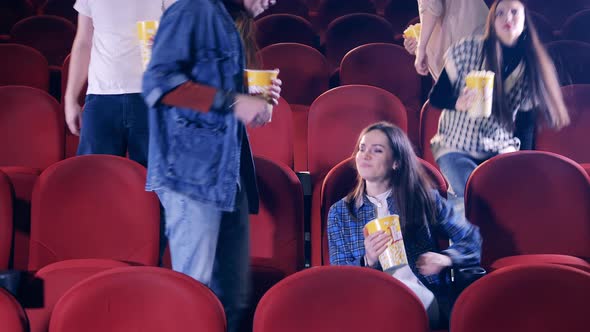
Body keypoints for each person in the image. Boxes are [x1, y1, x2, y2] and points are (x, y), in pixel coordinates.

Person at [141, 0, 281, 331]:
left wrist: (251, 96)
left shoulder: (227, 19)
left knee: (233, 298)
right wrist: (234, 101)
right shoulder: (192, 9)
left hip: (227, 176)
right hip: (191, 175)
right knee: (195, 293)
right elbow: (158, 84)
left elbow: (211, 90)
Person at [327, 122, 482, 326]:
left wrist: (446, 258)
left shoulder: (423, 199)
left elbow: (472, 239)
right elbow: (339, 278)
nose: (365, 155)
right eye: (362, 148)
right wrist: (368, 261)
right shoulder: (339, 212)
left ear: (396, 162)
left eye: (377, 150)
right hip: (368, 300)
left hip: (420, 294)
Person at [429, 0, 570, 213]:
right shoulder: (467, 49)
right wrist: (458, 102)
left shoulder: (530, 66)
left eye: (514, 12)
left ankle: (504, 242)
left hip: (499, 143)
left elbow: (526, 124)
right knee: (471, 191)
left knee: (511, 192)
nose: (508, 18)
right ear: (492, 22)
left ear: (525, 21)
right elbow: (436, 98)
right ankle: (467, 242)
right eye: (500, 14)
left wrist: (525, 163)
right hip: (456, 144)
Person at [64, 0, 176, 166]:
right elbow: (83, 42)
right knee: (95, 174)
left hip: (152, 94)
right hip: (101, 95)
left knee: (156, 180)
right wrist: (70, 98)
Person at [403, 0, 489, 80]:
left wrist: (421, 47)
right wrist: (418, 40)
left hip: (464, 43)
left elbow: (432, 7)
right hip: (476, 31)